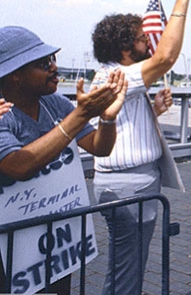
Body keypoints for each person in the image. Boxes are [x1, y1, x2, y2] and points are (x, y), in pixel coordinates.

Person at [0, 26, 127, 294]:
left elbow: (98, 147)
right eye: (43, 63)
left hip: (53, 241)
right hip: (8, 248)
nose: (54, 68)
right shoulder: (2, 113)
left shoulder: (53, 103)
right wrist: (80, 115)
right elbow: (17, 165)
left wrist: (107, 117)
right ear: (15, 76)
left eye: (53, 59)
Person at [90, 0, 191, 295]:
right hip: (127, 187)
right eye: (140, 39)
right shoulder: (117, 75)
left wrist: (154, 112)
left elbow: (121, 124)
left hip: (131, 184)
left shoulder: (116, 77)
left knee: (128, 267)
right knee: (125, 272)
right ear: (123, 48)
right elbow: (165, 58)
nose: (148, 43)